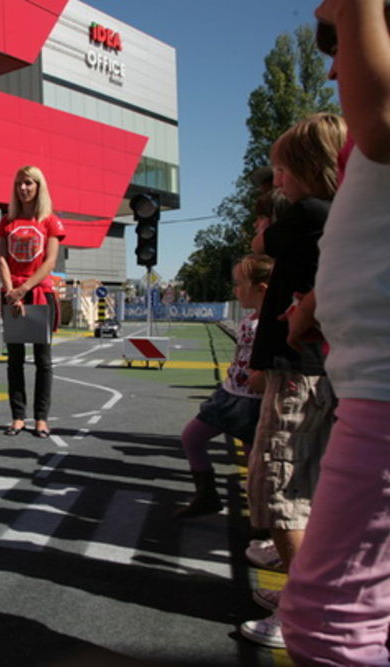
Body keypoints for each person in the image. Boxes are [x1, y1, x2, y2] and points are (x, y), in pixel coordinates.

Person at [279, 1, 390, 662]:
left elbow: (376, 122)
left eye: (337, 30)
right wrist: (315, 304)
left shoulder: (375, 125)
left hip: (382, 389)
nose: (330, 59)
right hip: (369, 379)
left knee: (327, 620)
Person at [239, 112, 346, 649]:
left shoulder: (308, 213)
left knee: (281, 490)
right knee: (302, 487)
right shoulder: (338, 216)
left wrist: (276, 214)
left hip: (298, 373)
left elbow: (268, 239)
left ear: (303, 167)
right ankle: (308, 595)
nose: (275, 181)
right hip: (312, 371)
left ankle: (307, 612)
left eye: (282, 169)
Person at [175, 254, 272, 518]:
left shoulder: (275, 323)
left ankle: (260, 517)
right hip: (230, 395)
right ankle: (206, 495)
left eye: (239, 284)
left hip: (254, 402)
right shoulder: (249, 320)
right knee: (191, 437)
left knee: (256, 462)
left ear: (261, 289)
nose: (235, 289)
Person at [0, 165, 65, 439]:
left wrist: (24, 288)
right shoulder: (6, 221)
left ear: (39, 186)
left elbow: (50, 261)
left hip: (38, 293)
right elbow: (0, 258)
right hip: (12, 294)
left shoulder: (50, 221)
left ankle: (42, 419)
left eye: (29, 183)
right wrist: (11, 291)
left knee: (43, 360)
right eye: (19, 184)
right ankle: (18, 417)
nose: (23, 188)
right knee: (14, 360)